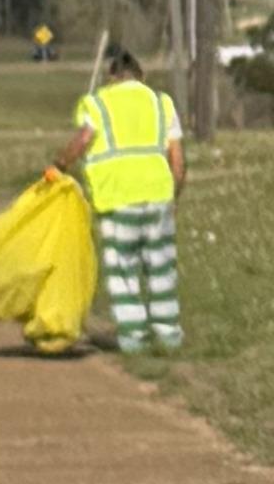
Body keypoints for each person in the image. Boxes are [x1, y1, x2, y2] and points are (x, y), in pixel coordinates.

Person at [55, 44, 185, 352]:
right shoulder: (161, 103)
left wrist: (60, 165)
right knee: (160, 267)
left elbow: (84, 139)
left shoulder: (97, 103)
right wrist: (174, 195)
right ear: (142, 76)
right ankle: (169, 336)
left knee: (123, 269)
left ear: (111, 76)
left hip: (116, 198)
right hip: (158, 196)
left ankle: (134, 337)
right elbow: (177, 160)